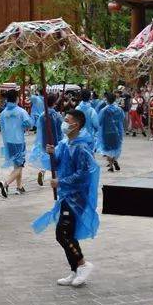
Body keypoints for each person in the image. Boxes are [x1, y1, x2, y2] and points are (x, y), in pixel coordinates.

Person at [32, 109, 99, 287]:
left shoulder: (81, 147)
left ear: (75, 124)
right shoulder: (66, 143)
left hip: (77, 197)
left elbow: (84, 174)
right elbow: (58, 164)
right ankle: (75, 269)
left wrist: (61, 181)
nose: (64, 123)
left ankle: (83, 264)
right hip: (66, 195)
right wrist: (52, 154)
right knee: (64, 233)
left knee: (63, 233)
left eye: (67, 120)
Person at [0, 89, 34, 197]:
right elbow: (29, 124)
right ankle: (5, 183)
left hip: (8, 141)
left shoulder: (3, 113)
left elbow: (1, 126)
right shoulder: (21, 111)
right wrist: (23, 126)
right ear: (17, 99)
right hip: (18, 141)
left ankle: (19, 187)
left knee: (17, 165)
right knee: (20, 166)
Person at [29, 94, 63, 187]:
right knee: (56, 161)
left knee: (46, 157)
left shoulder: (42, 115)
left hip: (44, 140)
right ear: (54, 103)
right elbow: (61, 129)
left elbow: (39, 128)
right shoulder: (57, 115)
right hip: (56, 141)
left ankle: (42, 171)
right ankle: (56, 179)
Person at [97, 93, 125, 171]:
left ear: (107, 100)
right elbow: (122, 118)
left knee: (107, 149)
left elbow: (99, 121)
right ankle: (114, 161)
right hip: (117, 132)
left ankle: (111, 166)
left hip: (106, 132)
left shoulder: (104, 110)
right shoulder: (119, 109)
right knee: (116, 147)